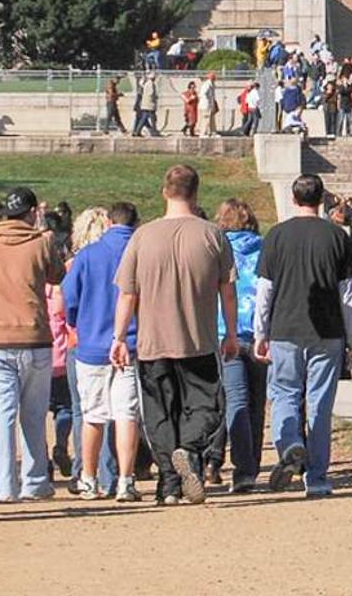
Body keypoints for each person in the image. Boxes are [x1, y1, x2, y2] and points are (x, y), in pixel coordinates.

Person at [112, 165, 236, 506]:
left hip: (153, 342)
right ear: (196, 193)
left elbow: (127, 294)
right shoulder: (212, 235)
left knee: (160, 413)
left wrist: (119, 337)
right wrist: (231, 334)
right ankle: (190, 448)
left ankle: (168, 484)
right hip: (199, 340)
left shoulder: (142, 236)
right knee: (206, 406)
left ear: (164, 192)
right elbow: (227, 290)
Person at [254, 174, 352, 499]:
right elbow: (348, 295)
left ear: (293, 198)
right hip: (327, 332)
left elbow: (265, 290)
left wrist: (260, 332)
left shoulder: (276, 236)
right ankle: (316, 477)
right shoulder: (337, 236)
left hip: (285, 329)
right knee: (319, 403)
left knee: (285, 393)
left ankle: (291, 444)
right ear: (322, 200)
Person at [0, 187, 65, 504]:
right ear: (33, 212)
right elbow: (57, 276)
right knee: (33, 415)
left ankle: (4, 486)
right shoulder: (41, 242)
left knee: (1, 416)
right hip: (34, 338)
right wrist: (46, 235)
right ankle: (34, 481)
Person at [65, 202, 145, 502]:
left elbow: (69, 299)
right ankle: (126, 479)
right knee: (127, 414)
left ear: (109, 222)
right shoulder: (140, 252)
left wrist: (79, 323)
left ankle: (88, 477)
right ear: (135, 223)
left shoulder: (88, 255)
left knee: (93, 415)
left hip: (92, 344)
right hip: (131, 343)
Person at [213, 199, 267, 494]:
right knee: (257, 404)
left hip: (225, 331)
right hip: (259, 333)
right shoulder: (264, 247)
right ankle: (249, 467)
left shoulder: (217, 249)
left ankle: (233, 462)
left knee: (235, 400)